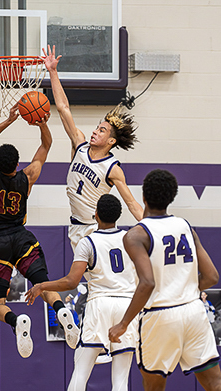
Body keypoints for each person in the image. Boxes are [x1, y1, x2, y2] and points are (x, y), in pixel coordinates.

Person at [109, 169, 221, 391]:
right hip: (193, 310)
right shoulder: (186, 226)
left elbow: (147, 282)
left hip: (160, 315)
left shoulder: (135, 235)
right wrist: (188, 289)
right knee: (217, 385)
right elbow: (213, 277)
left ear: (144, 196)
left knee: (154, 388)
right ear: (171, 197)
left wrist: (124, 323)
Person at [25, 194, 138, 391]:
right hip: (126, 307)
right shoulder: (132, 240)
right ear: (118, 215)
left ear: (95, 215)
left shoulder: (88, 241)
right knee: (121, 376)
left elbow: (72, 282)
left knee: (81, 370)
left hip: (99, 305)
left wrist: (43, 285)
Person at [0, 104, 80, 358]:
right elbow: (46, 145)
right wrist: (41, 122)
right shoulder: (28, 176)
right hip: (23, 238)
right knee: (43, 284)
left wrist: (9, 121)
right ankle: (61, 309)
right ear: (17, 163)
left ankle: (16, 322)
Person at [42, 45, 143, 251]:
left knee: (97, 279)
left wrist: (153, 228)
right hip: (76, 227)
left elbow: (131, 203)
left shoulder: (112, 168)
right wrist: (53, 72)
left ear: (111, 141)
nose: (96, 131)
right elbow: (63, 108)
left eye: (103, 130)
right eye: (98, 127)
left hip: (95, 229)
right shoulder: (79, 143)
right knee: (91, 280)